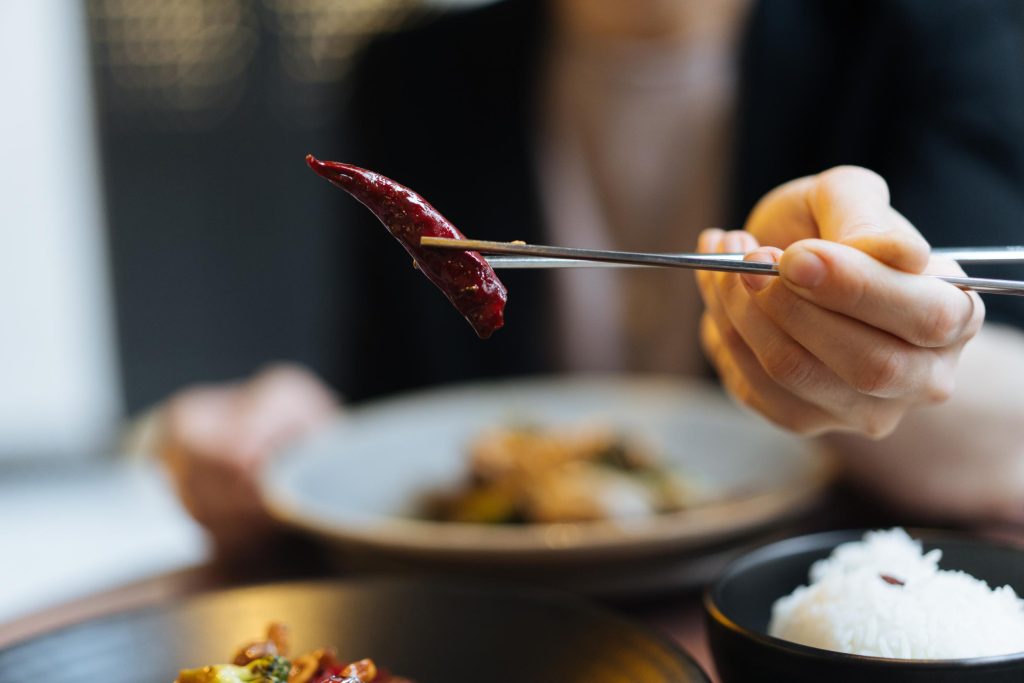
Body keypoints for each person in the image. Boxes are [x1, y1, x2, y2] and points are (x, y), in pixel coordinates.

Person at [160, 0, 1024, 549]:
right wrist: (282, 434)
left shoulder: (932, 34)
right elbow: (390, 408)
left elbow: (1001, 414)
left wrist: (876, 347)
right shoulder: (412, 78)